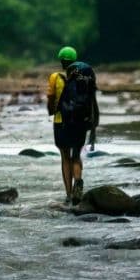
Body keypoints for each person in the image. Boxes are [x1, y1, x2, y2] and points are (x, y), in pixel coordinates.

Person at [47, 46, 99, 204]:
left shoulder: (56, 77)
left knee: (65, 157)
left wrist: (51, 110)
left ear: (62, 61)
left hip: (61, 121)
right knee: (76, 155)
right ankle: (78, 181)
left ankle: (69, 194)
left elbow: (51, 101)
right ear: (75, 60)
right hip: (81, 121)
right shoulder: (84, 77)